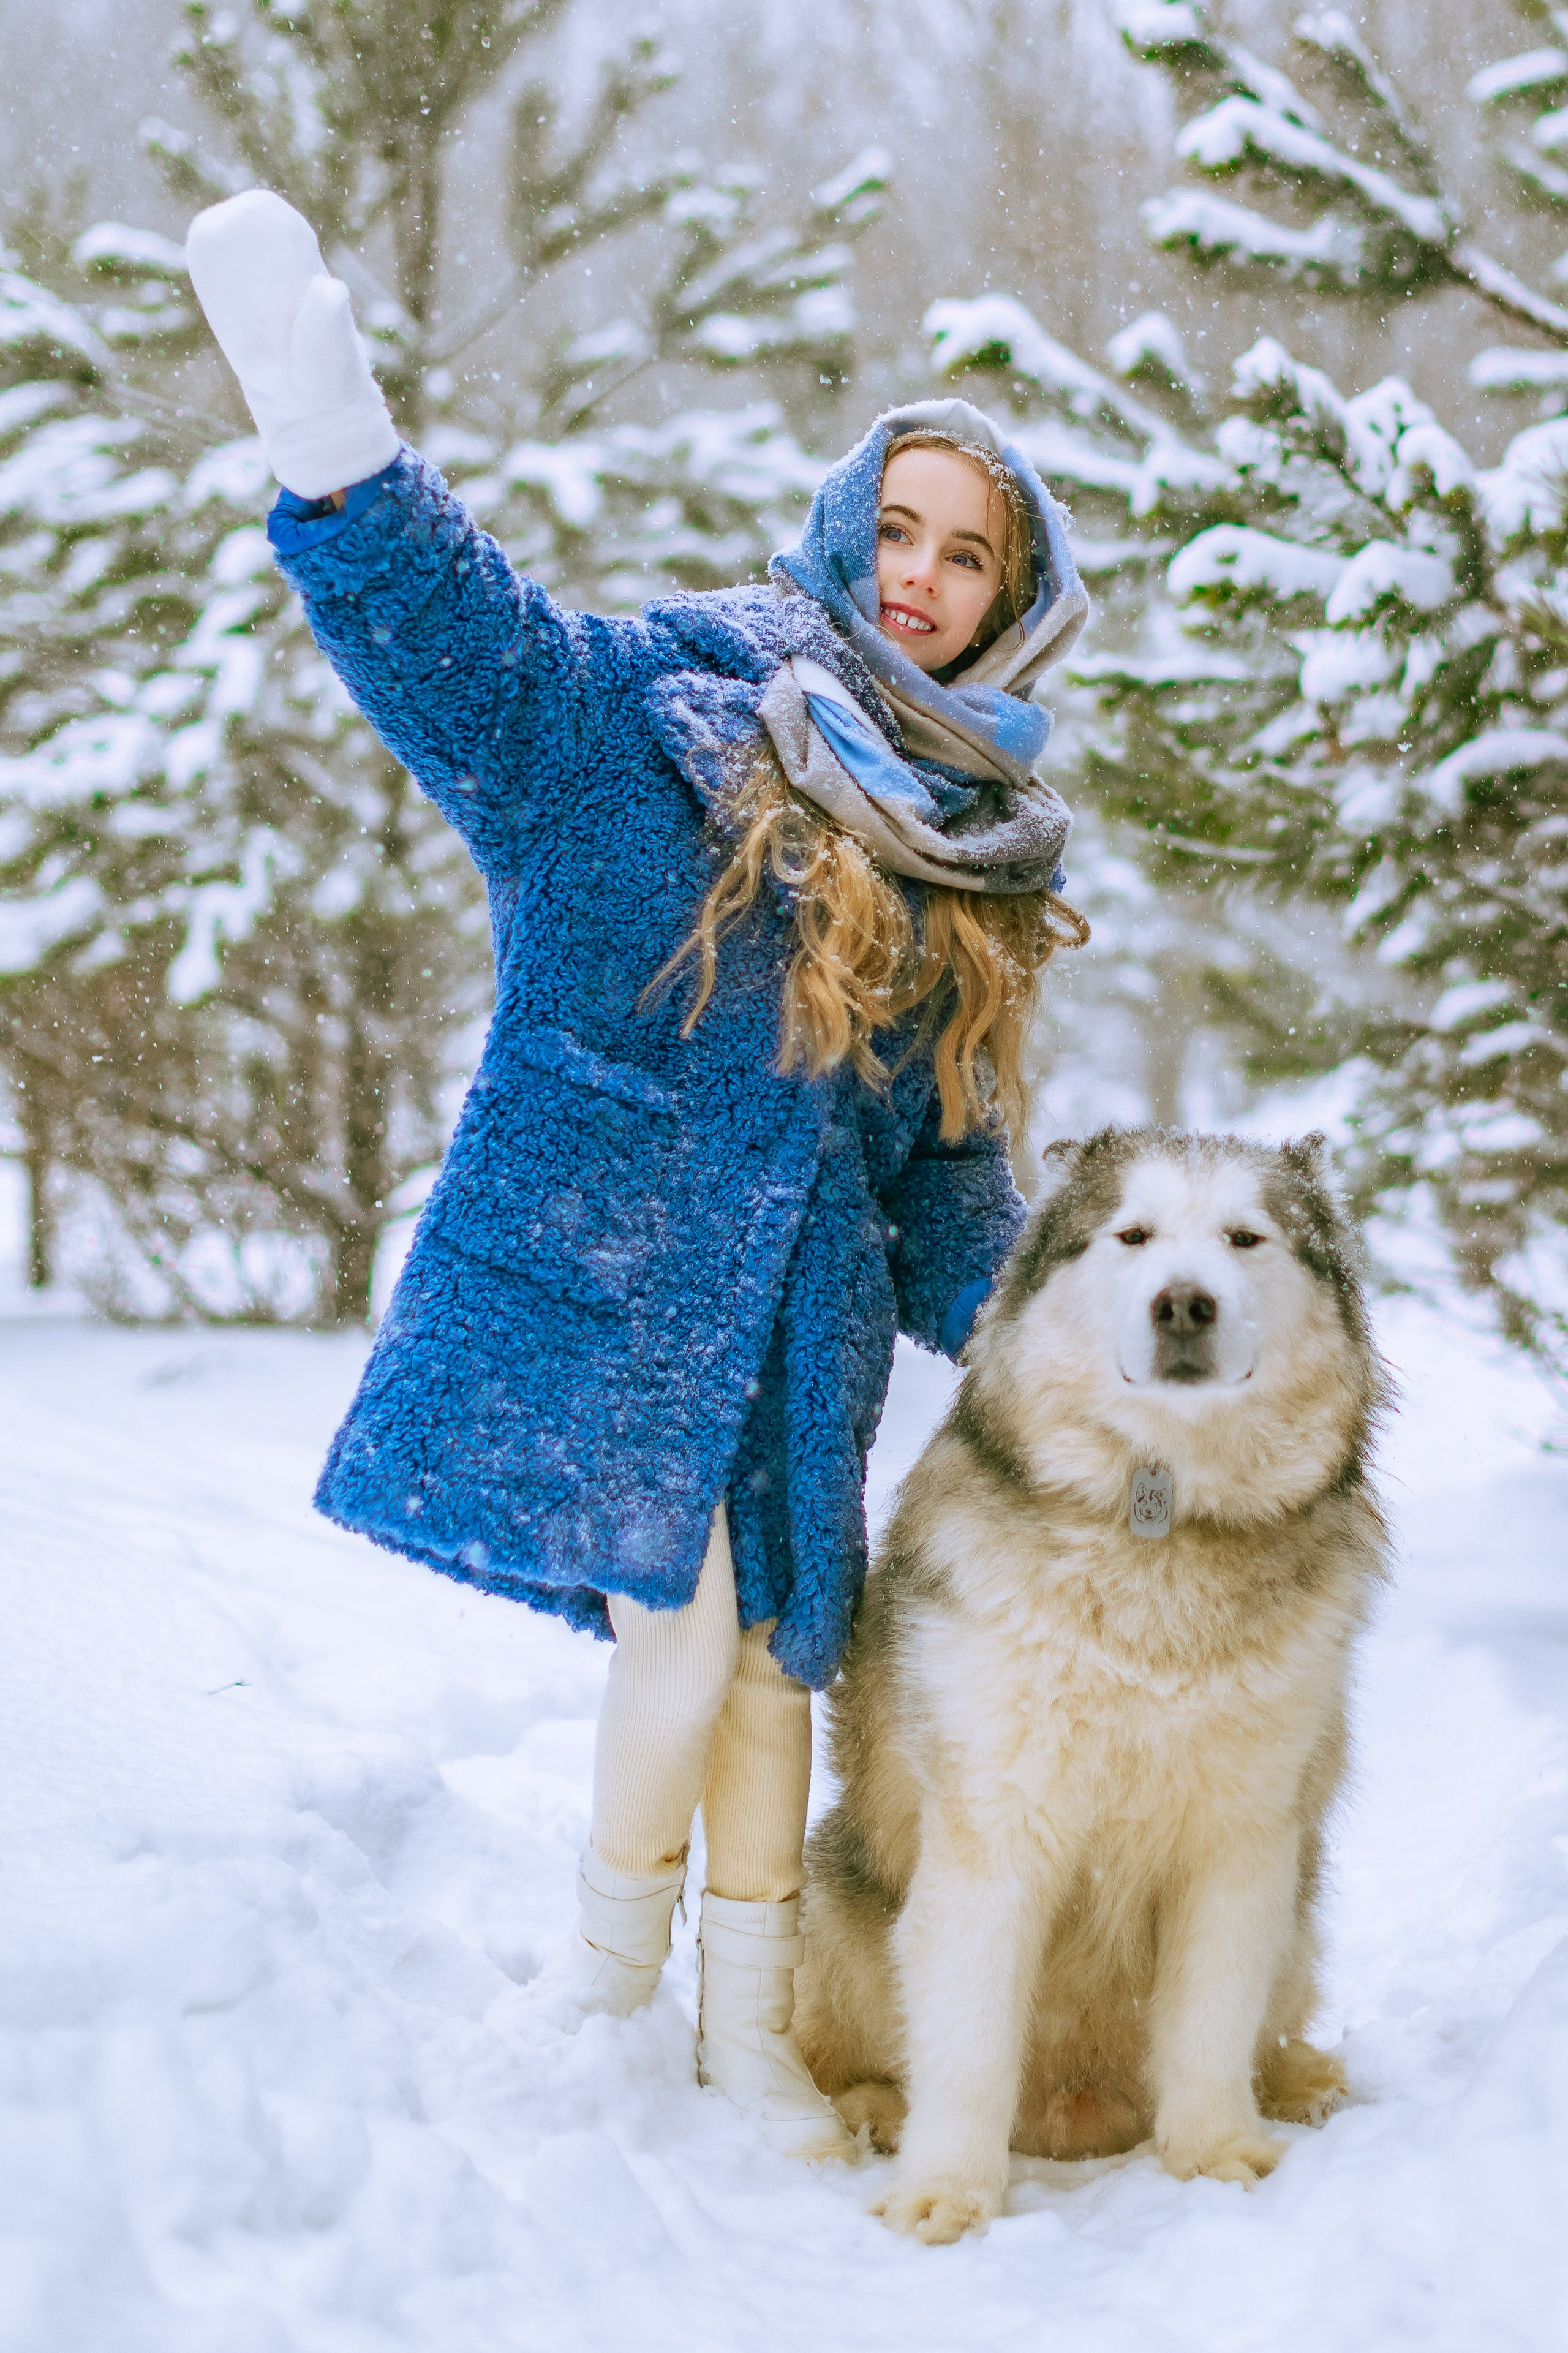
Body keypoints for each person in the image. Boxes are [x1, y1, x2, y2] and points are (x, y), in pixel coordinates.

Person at [185, 191, 1090, 2162]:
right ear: (848, 532)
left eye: (971, 553)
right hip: (612, 1286)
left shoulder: (971, 864)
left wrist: (1055, 1329)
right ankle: (599, 1982)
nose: (924, 578)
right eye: (903, 531)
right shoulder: (651, 726)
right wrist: (331, 433)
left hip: (799, 1342)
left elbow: (945, 1172)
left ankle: (743, 2031)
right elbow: (466, 647)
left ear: (1013, 594)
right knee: (674, 1647)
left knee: (779, 1669)